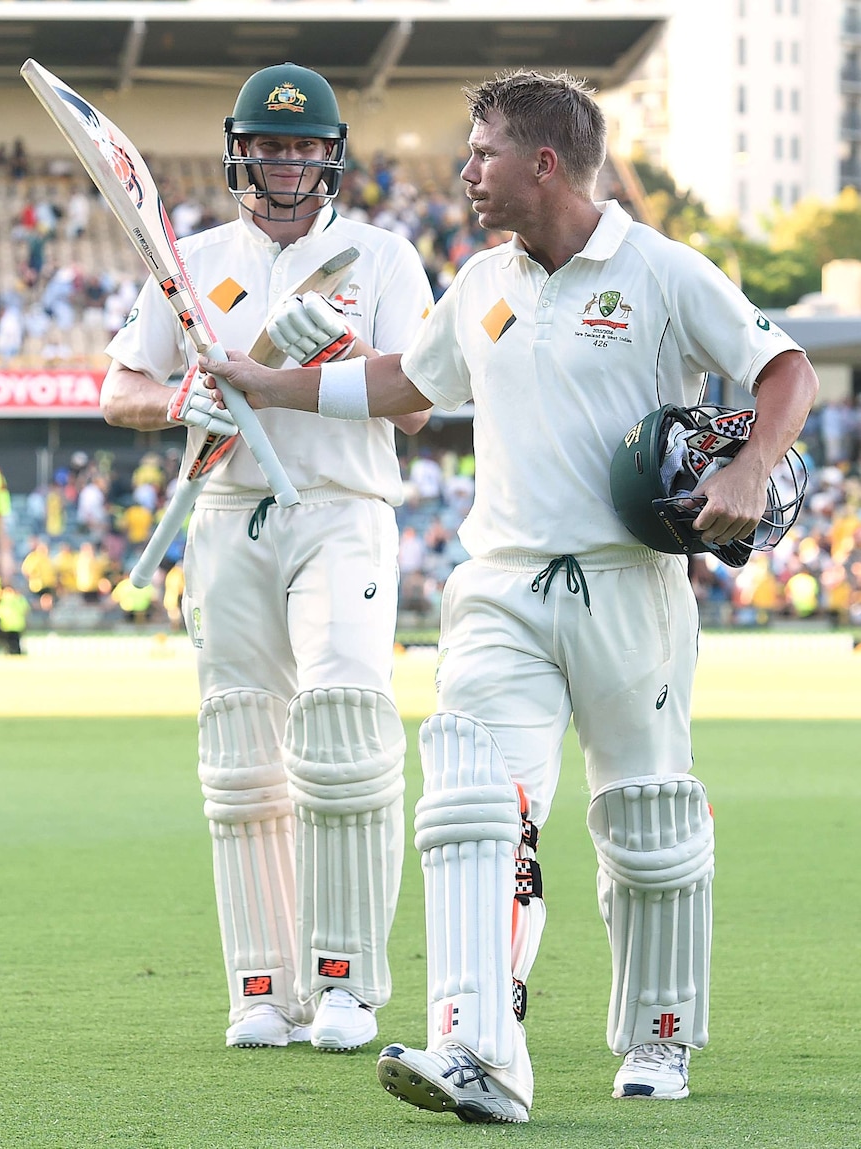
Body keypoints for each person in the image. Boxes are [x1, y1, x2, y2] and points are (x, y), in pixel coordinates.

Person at [199, 69, 820, 1122]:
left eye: (482, 152)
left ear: (542, 163)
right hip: (497, 587)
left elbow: (785, 367)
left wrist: (752, 467)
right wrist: (270, 385)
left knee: (645, 820)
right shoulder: (482, 279)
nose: (465, 171)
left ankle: (658, 1041)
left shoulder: (661, 270)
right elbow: (406, 383)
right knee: (475, 805)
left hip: (628, 585)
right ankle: (477, 1049)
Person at [100, 62, 434, 1054]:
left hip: (340, 508)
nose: (284, 163)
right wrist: (177, 406)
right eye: (268, 146)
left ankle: (344, 986)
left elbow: (415, 404)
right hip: (227, 511)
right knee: (241, 749)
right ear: (238, 152)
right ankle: (261, 988)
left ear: (329, 157)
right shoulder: (191, 257)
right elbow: (120, 384)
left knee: (340, 729)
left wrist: (327, 356)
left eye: (301, 147)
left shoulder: (382, 259)